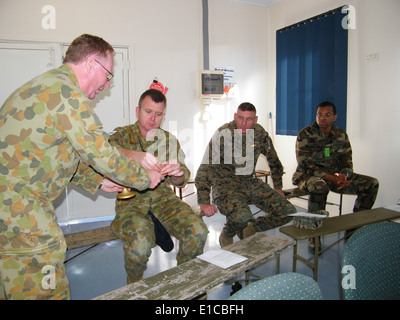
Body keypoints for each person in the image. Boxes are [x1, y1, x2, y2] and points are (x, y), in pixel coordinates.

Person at [0, 34, 164, 300]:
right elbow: (102, 154)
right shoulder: (68, 94)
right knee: (46, 287)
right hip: (22, 213)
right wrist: (145, 177)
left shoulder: (45, 86)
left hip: (9, 212)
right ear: (91, 63)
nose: (106, 85)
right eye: (108, 75)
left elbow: (54, 152)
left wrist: (96, 182)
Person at [109, 89, 208, 284]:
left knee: (198, 231)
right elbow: (107, 153)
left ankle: (185, 283)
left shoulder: (169, 140)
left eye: (159, 114)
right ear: (137, 111)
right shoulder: (122, 135)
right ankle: (133, 286)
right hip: (132, 202)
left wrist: (178, 175)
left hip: (164, 200)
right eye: (148, 112)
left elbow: (181, 179)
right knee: (139, 245)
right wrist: (136, 156)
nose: (153, 118)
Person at [195, 102, 296, 247]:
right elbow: (206, 167)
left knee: (288, 212)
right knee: (242, 217)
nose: (243, 123)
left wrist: (278, 187)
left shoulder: (259, 133)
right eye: (240, 118)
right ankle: (230, 232)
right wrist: (204, 201)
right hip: (225, 185)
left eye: (249, 119)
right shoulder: (223, 134)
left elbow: (274, 160)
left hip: (249, 182)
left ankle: (249, 228)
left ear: (255, 120)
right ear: (235, 116)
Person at [292, 101, 379, 214]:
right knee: (319, 186)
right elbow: (306, 165)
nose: (322, 118)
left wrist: (344, 176)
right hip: (308, 176)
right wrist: (331, 178)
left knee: (371, 183)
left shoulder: (341, 135)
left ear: (335, 117)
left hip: (334, 177)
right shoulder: (305, 134)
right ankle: (314, 224)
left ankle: (356, 227)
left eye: (327, 115)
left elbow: (347, 161)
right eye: (319, 114)